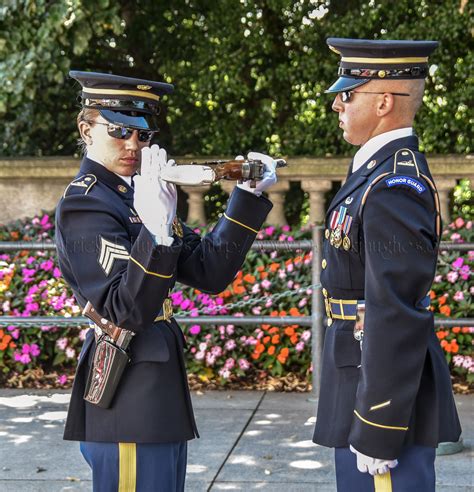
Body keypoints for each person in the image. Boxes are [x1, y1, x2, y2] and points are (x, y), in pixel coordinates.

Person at [55, 71, 277, 491]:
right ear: (86, 129)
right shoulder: (85, 204)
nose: (132, 145)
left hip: (156, 389)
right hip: (128, 395)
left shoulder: (136, 194)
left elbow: (211, 272)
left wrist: (247, 197)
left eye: (142, 135)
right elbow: (126, 309)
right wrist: (156, 233)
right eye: (119, 131)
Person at [312, 39, 462, 491]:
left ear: (381, 101)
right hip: (357, 372)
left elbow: (394, 307)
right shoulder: (372, 171)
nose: (338, 104)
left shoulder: (394, 183)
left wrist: (379, 424)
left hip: (378, 396)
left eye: (347, 94)